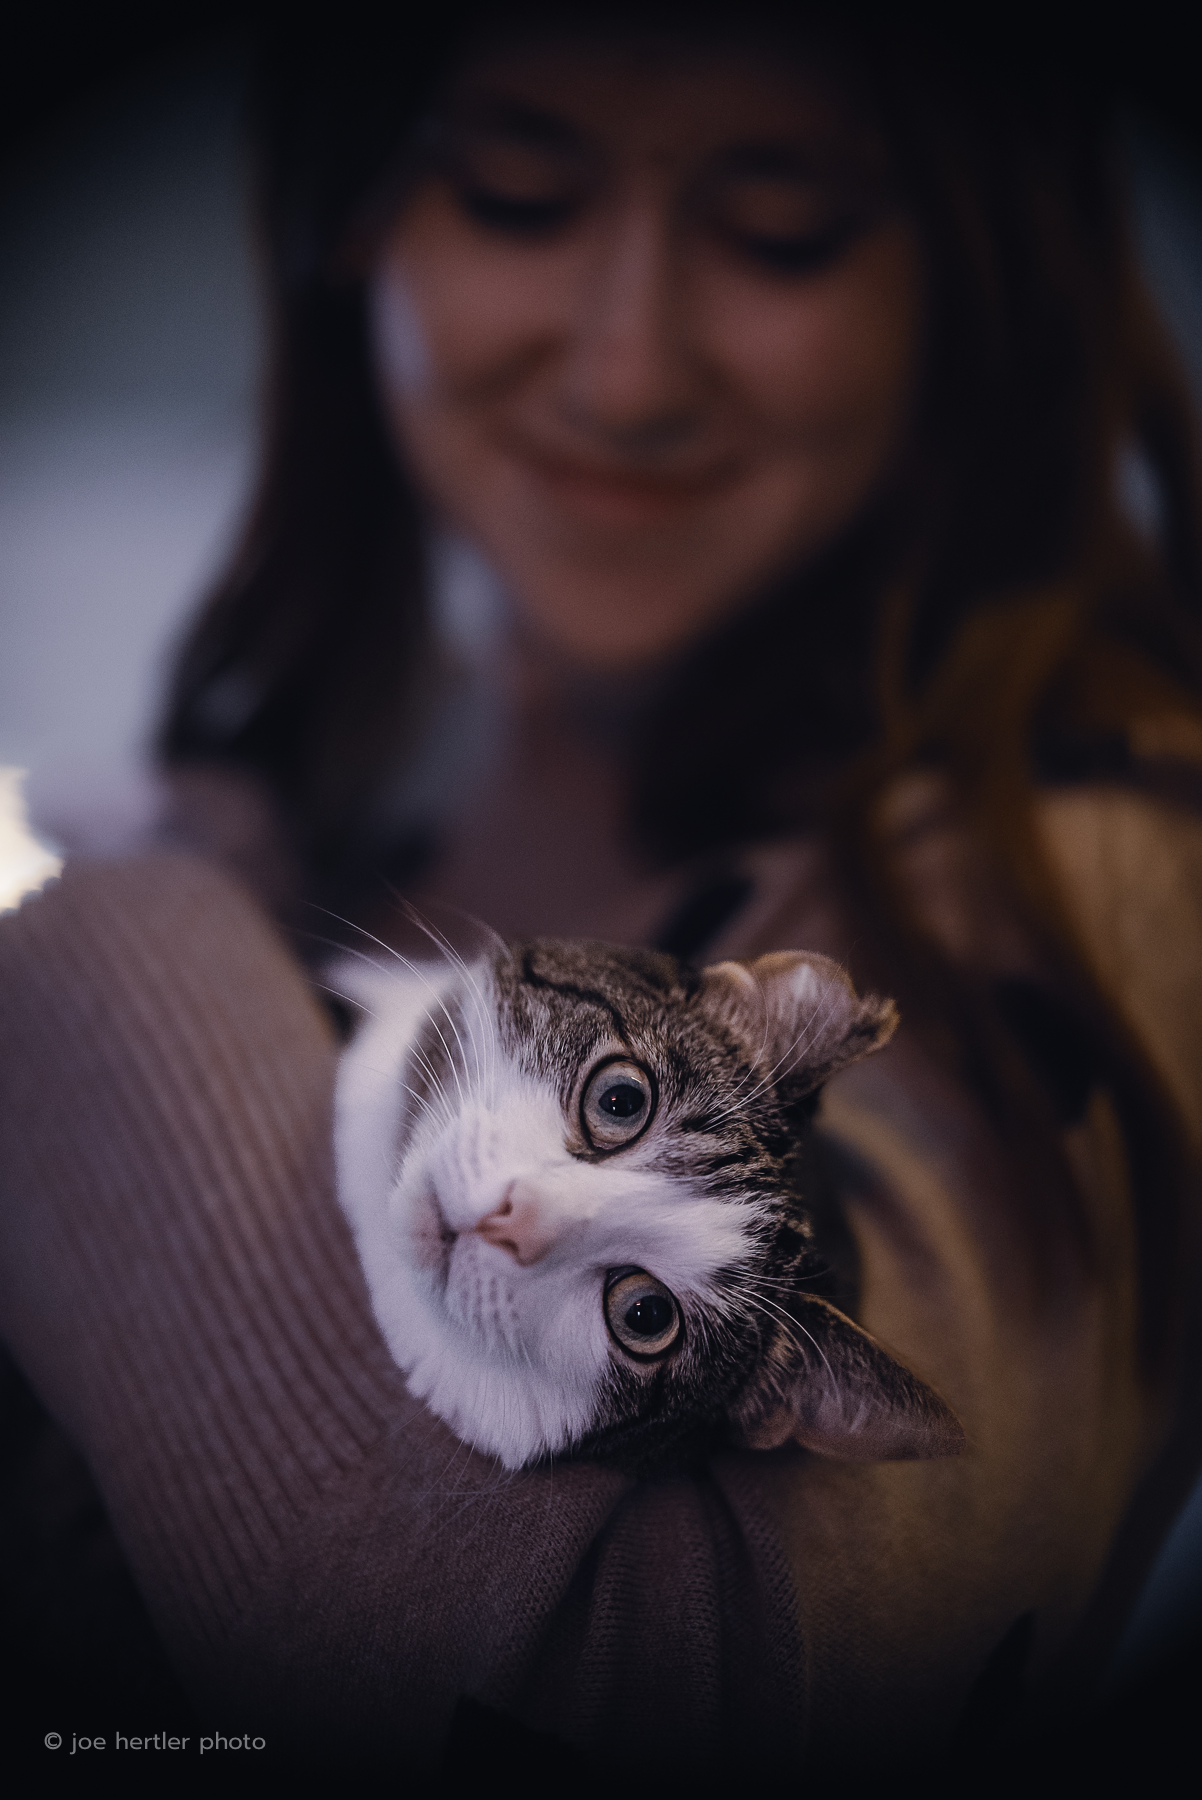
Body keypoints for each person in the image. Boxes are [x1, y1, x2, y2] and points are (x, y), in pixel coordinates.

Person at [3, 0, 1202, 1781]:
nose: (625, 369)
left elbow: (648, 1708)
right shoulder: (299, 804)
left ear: (971, 276)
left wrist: (91, 962)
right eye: (511, 196)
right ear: (357, 216)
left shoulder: (1110, 854)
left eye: (782, 228)